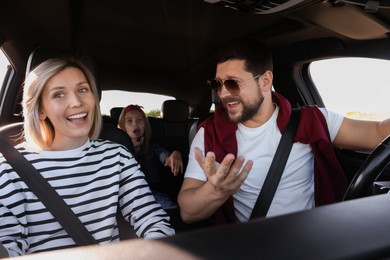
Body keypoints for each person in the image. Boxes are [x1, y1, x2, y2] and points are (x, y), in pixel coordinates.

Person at [178, 38, 390, 225]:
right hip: (255, 247)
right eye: (218, 84)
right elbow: (187, 212)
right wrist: (215, 191)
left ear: (265, 81)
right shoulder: (209, 134)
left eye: (233, 83)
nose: (223, 93)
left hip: (321, 239)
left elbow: (378, 133)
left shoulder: (312, 120)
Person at [0, 58, 175, 256]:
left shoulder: (116, 156)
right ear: (40, 110)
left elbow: (151, 218)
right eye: (59, 94)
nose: (77, 103)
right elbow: (9, 247)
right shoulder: (10, 168)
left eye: (83, 89)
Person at [117, 104, 183, 209]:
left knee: (169, 207)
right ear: (123, 126)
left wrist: (174, 155)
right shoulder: (118, 150)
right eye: (129, 121)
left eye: (140, 120)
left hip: (151, 192)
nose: (135, 124)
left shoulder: (152, 148)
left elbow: (165, 157)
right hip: (127, 194)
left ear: (145, 125)